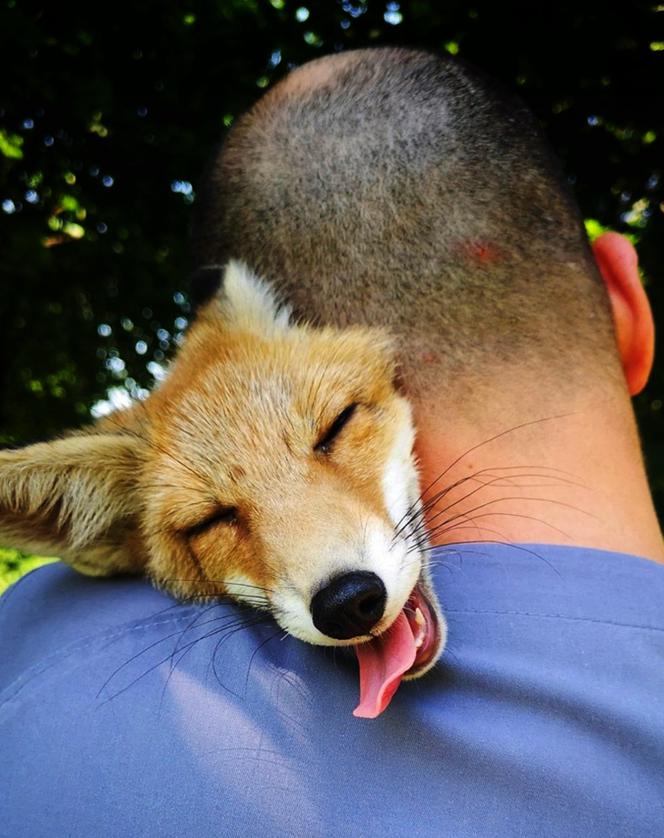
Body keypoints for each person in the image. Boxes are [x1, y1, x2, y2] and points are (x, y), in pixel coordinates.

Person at [2, 48, 663, 837]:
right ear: (625, 311)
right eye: (215, 522)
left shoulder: (26, 648)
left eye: (333, 431)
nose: (326, 568)